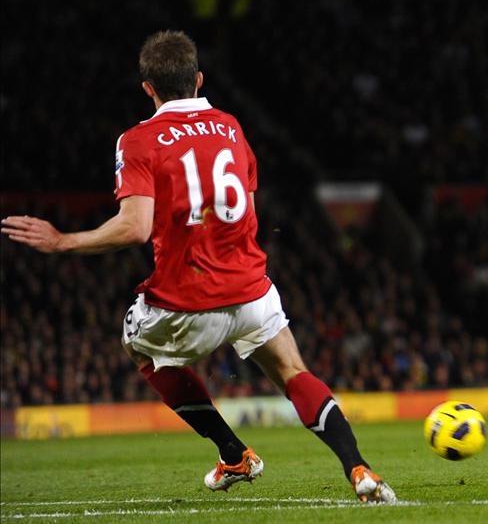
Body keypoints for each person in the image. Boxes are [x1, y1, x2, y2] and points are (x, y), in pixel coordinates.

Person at [1, 30, 395, 502]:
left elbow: (134, 228)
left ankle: (233, 452)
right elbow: (247, 207)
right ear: (199, 78)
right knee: (293, 371)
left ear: (148, 87)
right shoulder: (230, 125)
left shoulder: (138, 140)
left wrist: (63, 241)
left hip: (187, 298)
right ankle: (359, 469)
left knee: (138, 348)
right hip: (251, 287)